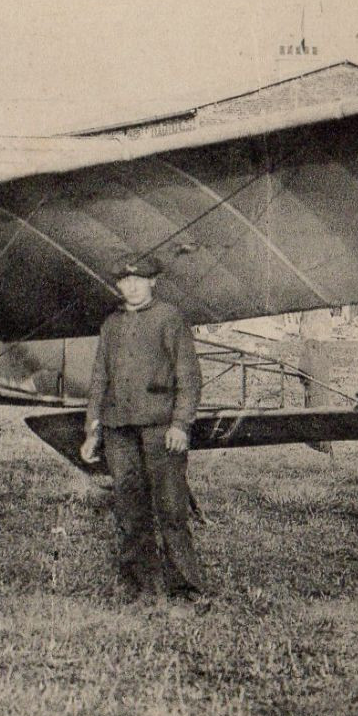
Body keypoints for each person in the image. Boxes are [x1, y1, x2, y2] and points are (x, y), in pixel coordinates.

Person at [80, 256, 207, 601]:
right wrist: (93, 430)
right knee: (129, 507)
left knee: (170, 510)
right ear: (118, 285)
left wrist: (180, 424)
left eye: (140, 279)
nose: (132, 286)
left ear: (153, 282)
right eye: (125, 280)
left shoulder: (170, 318)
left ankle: (186, 590)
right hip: (119, 430)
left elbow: (190, 377)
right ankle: (141, 586)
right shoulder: (111, 325)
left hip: (159, 429)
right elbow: (99, 379)